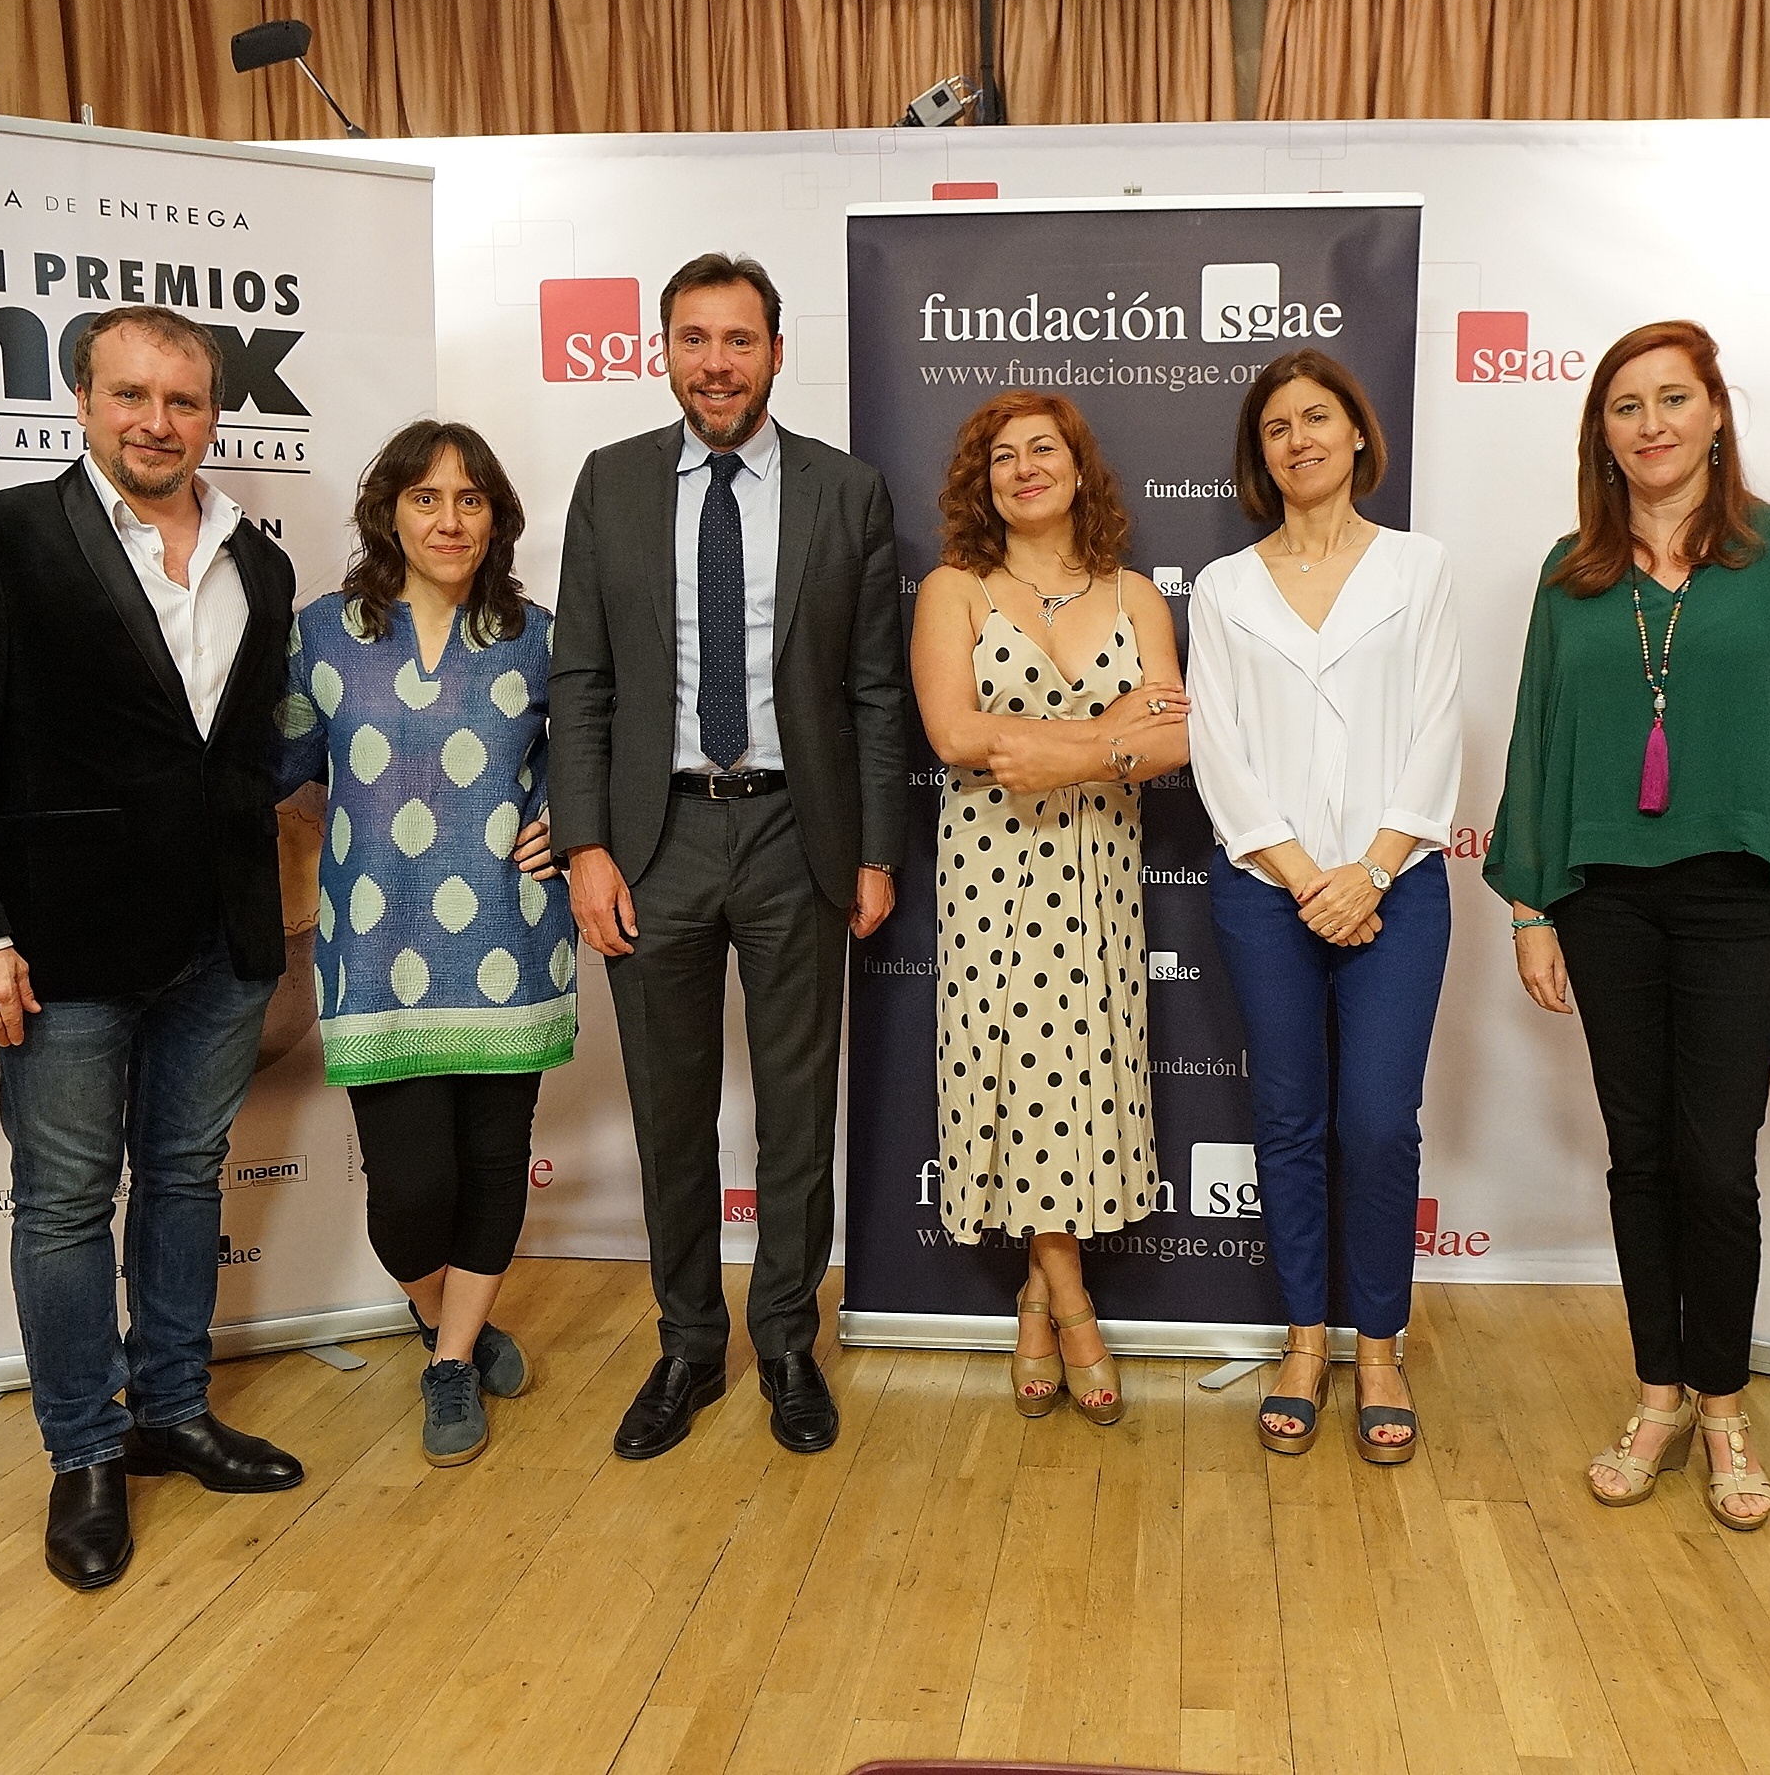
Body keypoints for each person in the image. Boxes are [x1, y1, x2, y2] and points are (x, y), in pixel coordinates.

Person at [0, 306, 306, 1591]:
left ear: (212, 414)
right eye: (131, 395)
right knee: (65, 1202)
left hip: (220, 942)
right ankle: (85, 1453)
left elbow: (238, 753)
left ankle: (171, 1411)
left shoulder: (259, 562)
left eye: (182, 400)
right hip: (56, 947)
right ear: (81, 400)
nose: (156, 423)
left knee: (184, 1179)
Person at [1485, 319, 1770, 1530]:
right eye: (1626, 406)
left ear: (1715, 415)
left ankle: (1723, 1405)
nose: (1651, 423)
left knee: (1715, 1163)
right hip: (1603, 900)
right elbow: (1538, 734)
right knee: (1640, 1155)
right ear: (1600, 436)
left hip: (1740, 899)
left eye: (1673, 398)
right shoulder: (1571, 571)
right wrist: (1530, 906)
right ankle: (1656, 1394)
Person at [551, 253, 908, 1460]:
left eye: (738, 340)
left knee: (797, 1113)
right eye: (694, 339)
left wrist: (873, 850)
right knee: (670, 1113)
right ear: (663, 351)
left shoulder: (845, 491)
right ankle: (689, 1347)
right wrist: (586, 844)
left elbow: (872, 691)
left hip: (796, 835)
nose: (716, 363)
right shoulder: (609, 482)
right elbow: (581, 679)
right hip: (651, 840)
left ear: (775, 353)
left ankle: (788, 1344)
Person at [275, 420, 573, 1467]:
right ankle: (451, 1317)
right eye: (427, 498)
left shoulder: (538, 636)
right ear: (389, 514)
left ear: (496, 519)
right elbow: (266, 762)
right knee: (409, 1198)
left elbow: (594, 751)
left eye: (470, 499)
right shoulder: (323, 634)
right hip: (374, 950)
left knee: (493, 1165)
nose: (450, 520)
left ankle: (447, 1363)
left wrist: (573, 818)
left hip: (510, 937)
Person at [1187, 348, 1460, 1465]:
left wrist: (1371, 872)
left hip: (1398, 887)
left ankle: (1379, 1349)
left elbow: (1439, 725)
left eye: (1315, 418)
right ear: (1260, 456)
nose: (1297, 440)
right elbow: (1217, 748)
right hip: (1269, 892)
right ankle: (1305, 1343)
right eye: (1275, 428)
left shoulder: (1418, 567)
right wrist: (1310, 879)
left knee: (1378, 1125)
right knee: (1289, 1119)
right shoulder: (1223, 587)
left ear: (1356, 434)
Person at [909, 392, 1189, 1425]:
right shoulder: (955, 590)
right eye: (1002, 457)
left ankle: (1035, 1299)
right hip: (989, 874)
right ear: (981, 484)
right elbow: (954, 736)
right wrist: (1110, 735)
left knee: (1082, 1080)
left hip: (1099, 872)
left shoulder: (1135, 598)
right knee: (1013, 1073)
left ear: (1078, 470)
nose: (1024, 467)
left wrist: (1050, 752)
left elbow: (1176, 739)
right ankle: (1073, 1306)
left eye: (1043, 449)